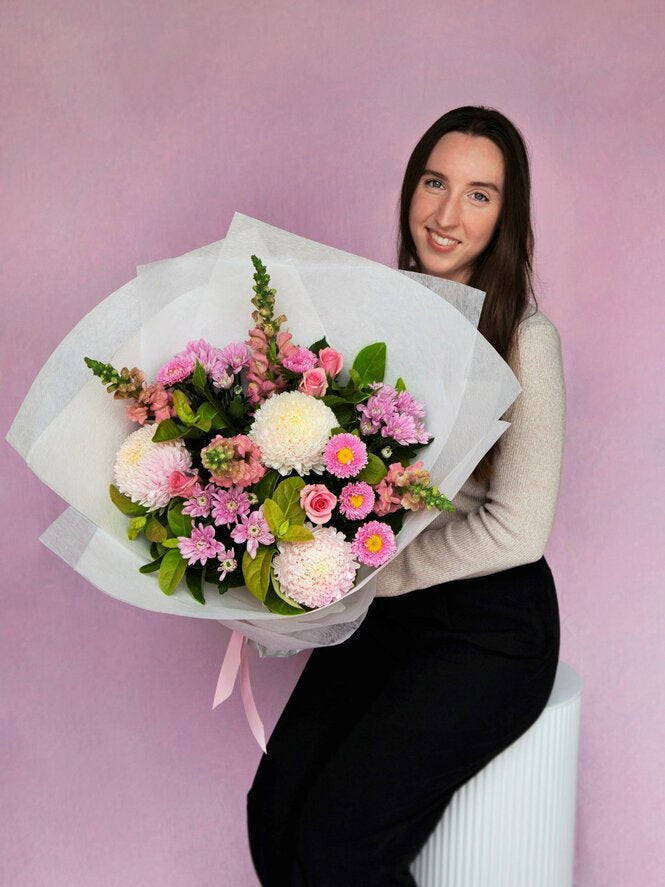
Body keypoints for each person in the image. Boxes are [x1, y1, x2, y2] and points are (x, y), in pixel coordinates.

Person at [246, 105, 565, 886]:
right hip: (384, 616)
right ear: (409, 188)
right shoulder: (370, 314)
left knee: (337, 848)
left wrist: (368, 575)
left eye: (479, 194)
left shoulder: (524, 336)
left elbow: (518, 529)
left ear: (507, 215)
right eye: (434, 182)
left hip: (486, 628)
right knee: (273, 816)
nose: (447, 215)